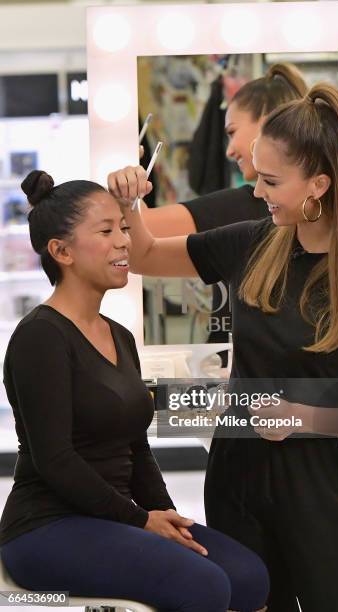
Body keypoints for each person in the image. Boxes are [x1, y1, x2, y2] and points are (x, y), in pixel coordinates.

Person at [114, 83, 338, 611]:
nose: (256, 191)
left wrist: (304, 417)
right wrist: (129, 200)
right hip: (237, 473)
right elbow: (145, 255)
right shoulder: (252, 242)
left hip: (321, 483)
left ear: (319, 184)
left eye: (271, 180)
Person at [0, 171, 270, 612]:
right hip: (46, 527)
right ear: (61, 251)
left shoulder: (120, 336)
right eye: (106, 231)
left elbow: (136, 447)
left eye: (123, 228)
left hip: (112, 518)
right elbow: (55, 460)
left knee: (249, 578)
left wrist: (165, 515)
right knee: (204, 587)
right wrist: (140, 520)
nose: (124, 241)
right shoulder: (40, 338)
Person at [108, 63, 308, 349]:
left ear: (268, 121)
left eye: (232, 131)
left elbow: (136, 242)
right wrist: (127, 197)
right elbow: (139, 250)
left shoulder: (240, 211)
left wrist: (126, 194)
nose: (227, 150)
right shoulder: (244, 229)